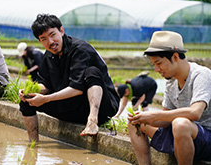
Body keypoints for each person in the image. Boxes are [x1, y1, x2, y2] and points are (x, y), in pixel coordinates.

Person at [18, 14, 120, 141]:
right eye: (44, 39)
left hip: (100, 109)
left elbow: (77, 88)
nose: (50, 42)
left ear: (61, 31)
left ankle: (92, 122)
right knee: (26, 102)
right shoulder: (48, 56)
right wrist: (30, 92)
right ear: (39, 41)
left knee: (92, 72)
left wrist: (45, 99)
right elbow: (45, 84)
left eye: (52, 35)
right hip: (70, 108)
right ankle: (33, 144)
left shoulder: (80, 49)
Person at [128, 31, 211, 165]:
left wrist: (156, 116)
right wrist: (145, 117)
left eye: (159, 63)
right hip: (179, 135)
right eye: (153, 64)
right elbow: (165, 119)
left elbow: (195, 113)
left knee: (180, 124)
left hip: (206, 139)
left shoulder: (201, 75)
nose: (156, 69)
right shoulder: (171, 81)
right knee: (135, 122)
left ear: (175, 56)